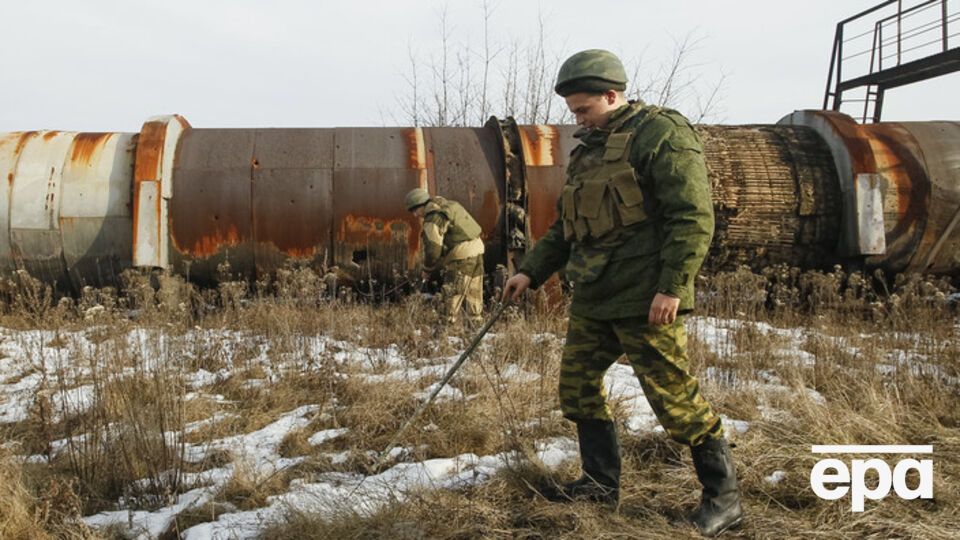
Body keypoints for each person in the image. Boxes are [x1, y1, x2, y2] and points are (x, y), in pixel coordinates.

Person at [501, 49, 743, 537]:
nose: (577, 119)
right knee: (577, 387)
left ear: (612, 95)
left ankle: (724, 499)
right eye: (573, 112)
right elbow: (568, 227)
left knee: (673, 398)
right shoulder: (590, 149)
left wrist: (672, 286)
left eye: (584, 109)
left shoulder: (663, 135)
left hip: (645, 296)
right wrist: (529, 271)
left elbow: (692, 216)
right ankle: (598, 484)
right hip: (595, 292)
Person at [405, 187, 485, 326]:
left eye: (414, 210)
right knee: (474, 297)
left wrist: (427, 270)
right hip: (477, 251)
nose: (415, 215)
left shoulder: (433, 218)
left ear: (421, 205)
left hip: (461, 257)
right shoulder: (447, 205)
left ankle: (445, 335)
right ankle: (475, 331)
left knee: (451, 296)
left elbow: (433, 250)